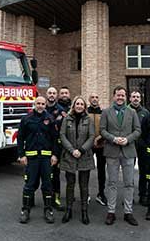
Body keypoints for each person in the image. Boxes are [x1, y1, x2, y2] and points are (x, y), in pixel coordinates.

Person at [100, 85, 142, 226]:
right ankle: (111, 212)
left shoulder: (132, 112)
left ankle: (128, 212)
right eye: (118, 95)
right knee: (112, 183)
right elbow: (102, 130)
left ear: (126, 97)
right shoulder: (106, 112)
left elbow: (137, 130)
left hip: (128, 151)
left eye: (123, 95)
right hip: (112, 151)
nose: (120, 97)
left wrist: (128, 139)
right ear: (114, 96)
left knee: (129, 183)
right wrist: (113, 138)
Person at [17, 96, 60, 224]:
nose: (40, 105)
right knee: (29, 185)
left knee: (47, 185)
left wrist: (55, 155)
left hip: (46, 159)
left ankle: (48, 211)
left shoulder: (50, 119)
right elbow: (20, 138)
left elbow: (55, 139)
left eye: (42, 103)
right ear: (34, 104)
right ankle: (25, 210)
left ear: (46, 105)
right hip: (32, 159)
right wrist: (22, 155)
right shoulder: (26, 119)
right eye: (38, 103)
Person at [59, 96, 95, 225]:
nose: (79, 106)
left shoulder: (89, 119)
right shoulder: (66, 119)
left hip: (84, 155)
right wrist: (72, 150)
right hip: (70, 155)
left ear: (84, 107)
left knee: (84, 186)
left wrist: (81, 150)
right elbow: (62, 135)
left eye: (81, 104)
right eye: (77, 104)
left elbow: (92, 136)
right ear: (73, 105)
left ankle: (84, 211)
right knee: (70, 185)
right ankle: (68, 210)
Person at [45, 86, 68, 211]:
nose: (52, 95)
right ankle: (46, 198)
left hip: (56, 146)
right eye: (50, 93)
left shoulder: (61, 111)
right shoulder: (42, 108)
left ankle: (56, 199)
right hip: (43, 145)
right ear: (47, 94)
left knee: (56, 174)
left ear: (57, 95)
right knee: (44, 174)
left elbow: (64, 130)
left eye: (54, 93)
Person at [129, 90, 150, 206]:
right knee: (129, 172)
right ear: (130, 98)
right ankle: (129, 197)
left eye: (138, 97)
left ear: (140, 99)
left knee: (144, 171)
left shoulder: (145, 112)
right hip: (129, 145)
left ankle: (143, 195)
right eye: (134, 97)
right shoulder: (126, 110)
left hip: (143, 146)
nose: (136, 99)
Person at [88, 92, 108, 206]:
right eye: (92, 97)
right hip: (88, 146)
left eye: (97, 97)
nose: (95, 99)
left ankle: (101, 193)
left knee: (101, 171)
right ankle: (86, 194)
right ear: (89, 99)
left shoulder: (103, 113)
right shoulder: (85, 112)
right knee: (85, 171)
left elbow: (107, 127)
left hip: (102, 145)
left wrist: (101, 137)